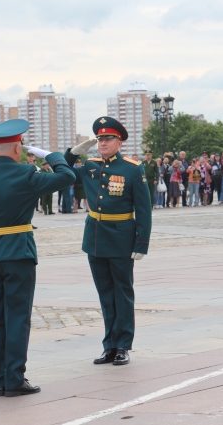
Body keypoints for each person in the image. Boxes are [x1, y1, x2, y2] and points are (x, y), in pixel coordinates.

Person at [0, 118, 75, 397]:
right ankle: (14, 379)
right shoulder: (26, 174)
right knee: (17, 318)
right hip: (18, 254)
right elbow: (68, 177)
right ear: (18, 149)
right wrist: (51, 156)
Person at [62, 116, 152, 367]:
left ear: (119, 142)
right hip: (96, 237)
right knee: (105, 294)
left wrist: (141, 243)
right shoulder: (90, 166)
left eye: (108, 139)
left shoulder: (132, 169)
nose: (102, 143)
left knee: (122, 293)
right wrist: (71, 154)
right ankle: (109, 345)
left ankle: (123, 345)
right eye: (100, 139)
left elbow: (143, 209)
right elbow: (63, 174)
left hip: (122, 237)